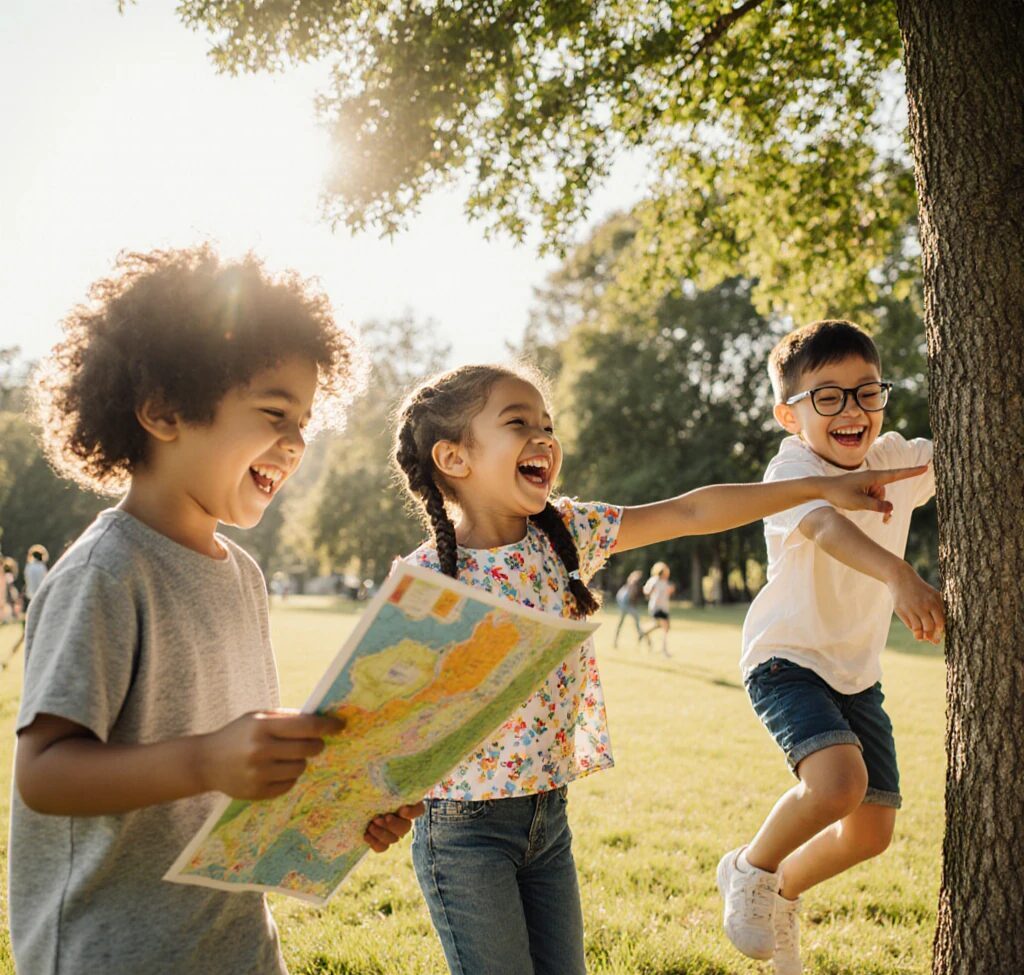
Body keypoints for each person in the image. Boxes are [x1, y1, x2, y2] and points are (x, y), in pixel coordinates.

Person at [391, 361, 929, 975]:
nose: (543, 437)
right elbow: (386, 714)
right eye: (519, 423)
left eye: (548, 424)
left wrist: (817, 487)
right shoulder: (428, 576)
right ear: (454, 459)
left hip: (547, 820)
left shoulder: (565, 532)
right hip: (463, 833)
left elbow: (693, 512)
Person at [10, 245, 422, 975]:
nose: (295, 443)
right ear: (164, 410)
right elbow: (44, 772)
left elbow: (236, 776)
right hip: (115, 952)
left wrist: (339, 802)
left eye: (304, 419)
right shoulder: (105, 574)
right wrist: (206, 758)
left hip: (235, 945)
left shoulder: (244, 576)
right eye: (274, 413)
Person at [717, 320, 944, 975]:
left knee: (872, 831)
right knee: (840, 783)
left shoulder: (896, 459)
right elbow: (822, 528)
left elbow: (975, 444)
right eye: (829, 397)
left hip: (855, 672)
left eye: (866, 393)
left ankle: (782, 891)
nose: (852, 410)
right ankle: (748, 869)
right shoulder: (792, 469)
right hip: (785, 659)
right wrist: (900, 575)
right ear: (790, 415)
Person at [642, 561, 675, 657]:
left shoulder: (665, 582)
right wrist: (650, 591)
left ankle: (645, 632)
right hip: (656, 607)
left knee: (662, 626)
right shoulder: (654, 580)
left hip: (664, 607)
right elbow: (646, 590)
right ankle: (664, 651)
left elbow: (666, 593)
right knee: (665, 627)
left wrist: (671, 590)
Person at [613, 568, 647, 648]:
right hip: (626, 606)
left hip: (624, 606)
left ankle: (615, 641)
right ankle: (642, 637)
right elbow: (631, 597)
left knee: (621, 624)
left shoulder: (628, 584)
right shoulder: (632, 584)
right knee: (637, 622)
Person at [22, 544, 49, 618]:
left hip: (30, 593)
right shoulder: (42, 567)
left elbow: (27, 580)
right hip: (40, 592)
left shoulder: (29, 567)